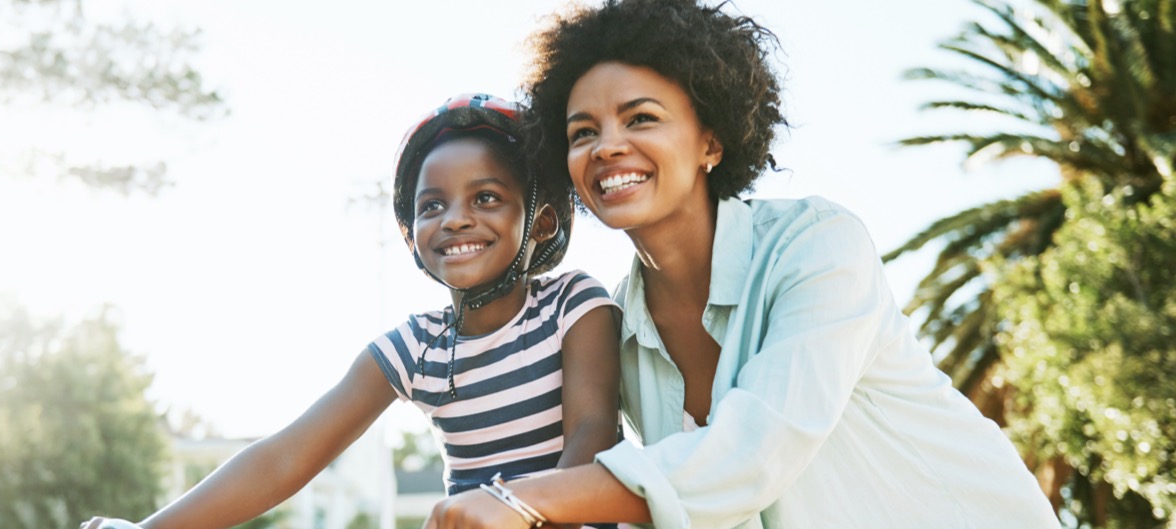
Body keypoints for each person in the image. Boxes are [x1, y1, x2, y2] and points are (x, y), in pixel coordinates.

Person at [421, 1, 1059, 528]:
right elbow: (705, 503)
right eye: (582, 132)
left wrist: (515, 500)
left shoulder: (817, 246)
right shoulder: (621, 325)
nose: (607, 145)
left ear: (711, 141)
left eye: (640, 118)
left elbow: (752, 455)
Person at [80, 93, 623, 529]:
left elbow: (594, 430)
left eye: (485, 198)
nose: (455, 219)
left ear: (542, 223)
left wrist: (525, 511)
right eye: (432, 205)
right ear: (412, 237)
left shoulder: (572, 304)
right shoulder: (417, 347)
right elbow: (286, 458)